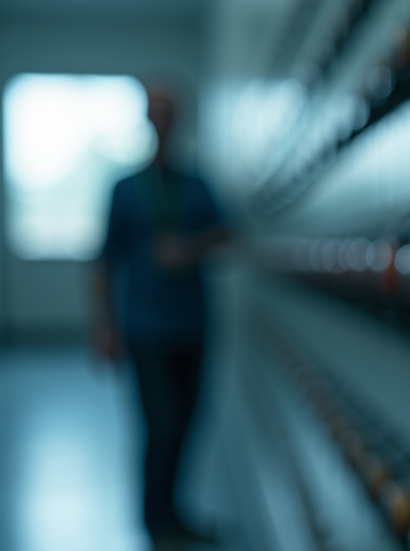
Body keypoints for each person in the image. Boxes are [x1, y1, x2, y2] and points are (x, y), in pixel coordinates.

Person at [92, 84, 227, 549]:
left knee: (189, 420)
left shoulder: (197, 184)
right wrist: (105, 327)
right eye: (157, 112)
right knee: (161, 422)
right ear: (147, 119)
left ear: (179, 120)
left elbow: (224, 235)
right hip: (145, 326)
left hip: (193, 322)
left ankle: (174, 511)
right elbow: (104, 261)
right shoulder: (125, 189)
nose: (164, 121)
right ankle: (154, 522)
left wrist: (189, 249)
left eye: (171, 113)